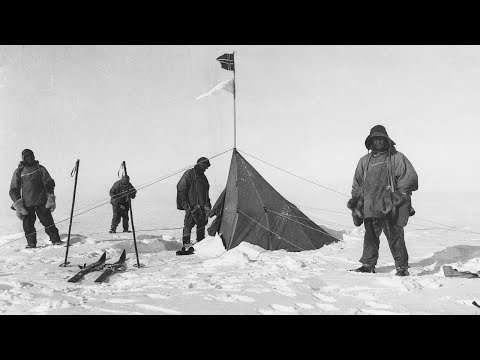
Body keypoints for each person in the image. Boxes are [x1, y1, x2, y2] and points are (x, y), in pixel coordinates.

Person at [347, 125, 418, 276]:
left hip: (390, 206)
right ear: (370, 142)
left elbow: (409, 178)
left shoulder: (397, 158)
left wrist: (400, 196)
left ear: (386, 140)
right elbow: (357, 183)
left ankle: (402, 268)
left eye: (381, 138)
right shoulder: (364, 161)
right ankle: (368, 265)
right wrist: (356, 200)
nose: (378, 141)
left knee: (395, 237)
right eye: (375, 139)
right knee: (370, 238)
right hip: (370, 206)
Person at [9, 149, 63, 249]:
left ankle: (56, 240)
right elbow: (13, 189)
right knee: (28, 225)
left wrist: (50, 196)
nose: (30, 158)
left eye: (31, 155)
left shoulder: (39, 168)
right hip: (26, 204)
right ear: (24, 158)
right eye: (27, 156)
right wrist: (18, 204)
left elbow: (49, 182)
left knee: (48, 221)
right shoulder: (19, 171)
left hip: (42, 201)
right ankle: (31, 243)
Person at [176, 157, 212, 254]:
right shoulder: (189, 174)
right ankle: (186, 244)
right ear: (200, 165)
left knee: (201, 225)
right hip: (192, 206)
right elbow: (181, 188)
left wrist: (207, 205)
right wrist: (185, 204)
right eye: (205, 166)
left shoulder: (203, 177)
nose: (206, 169)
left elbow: (206, 193)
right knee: (188, 224)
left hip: (202, 207)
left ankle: (200, 243)